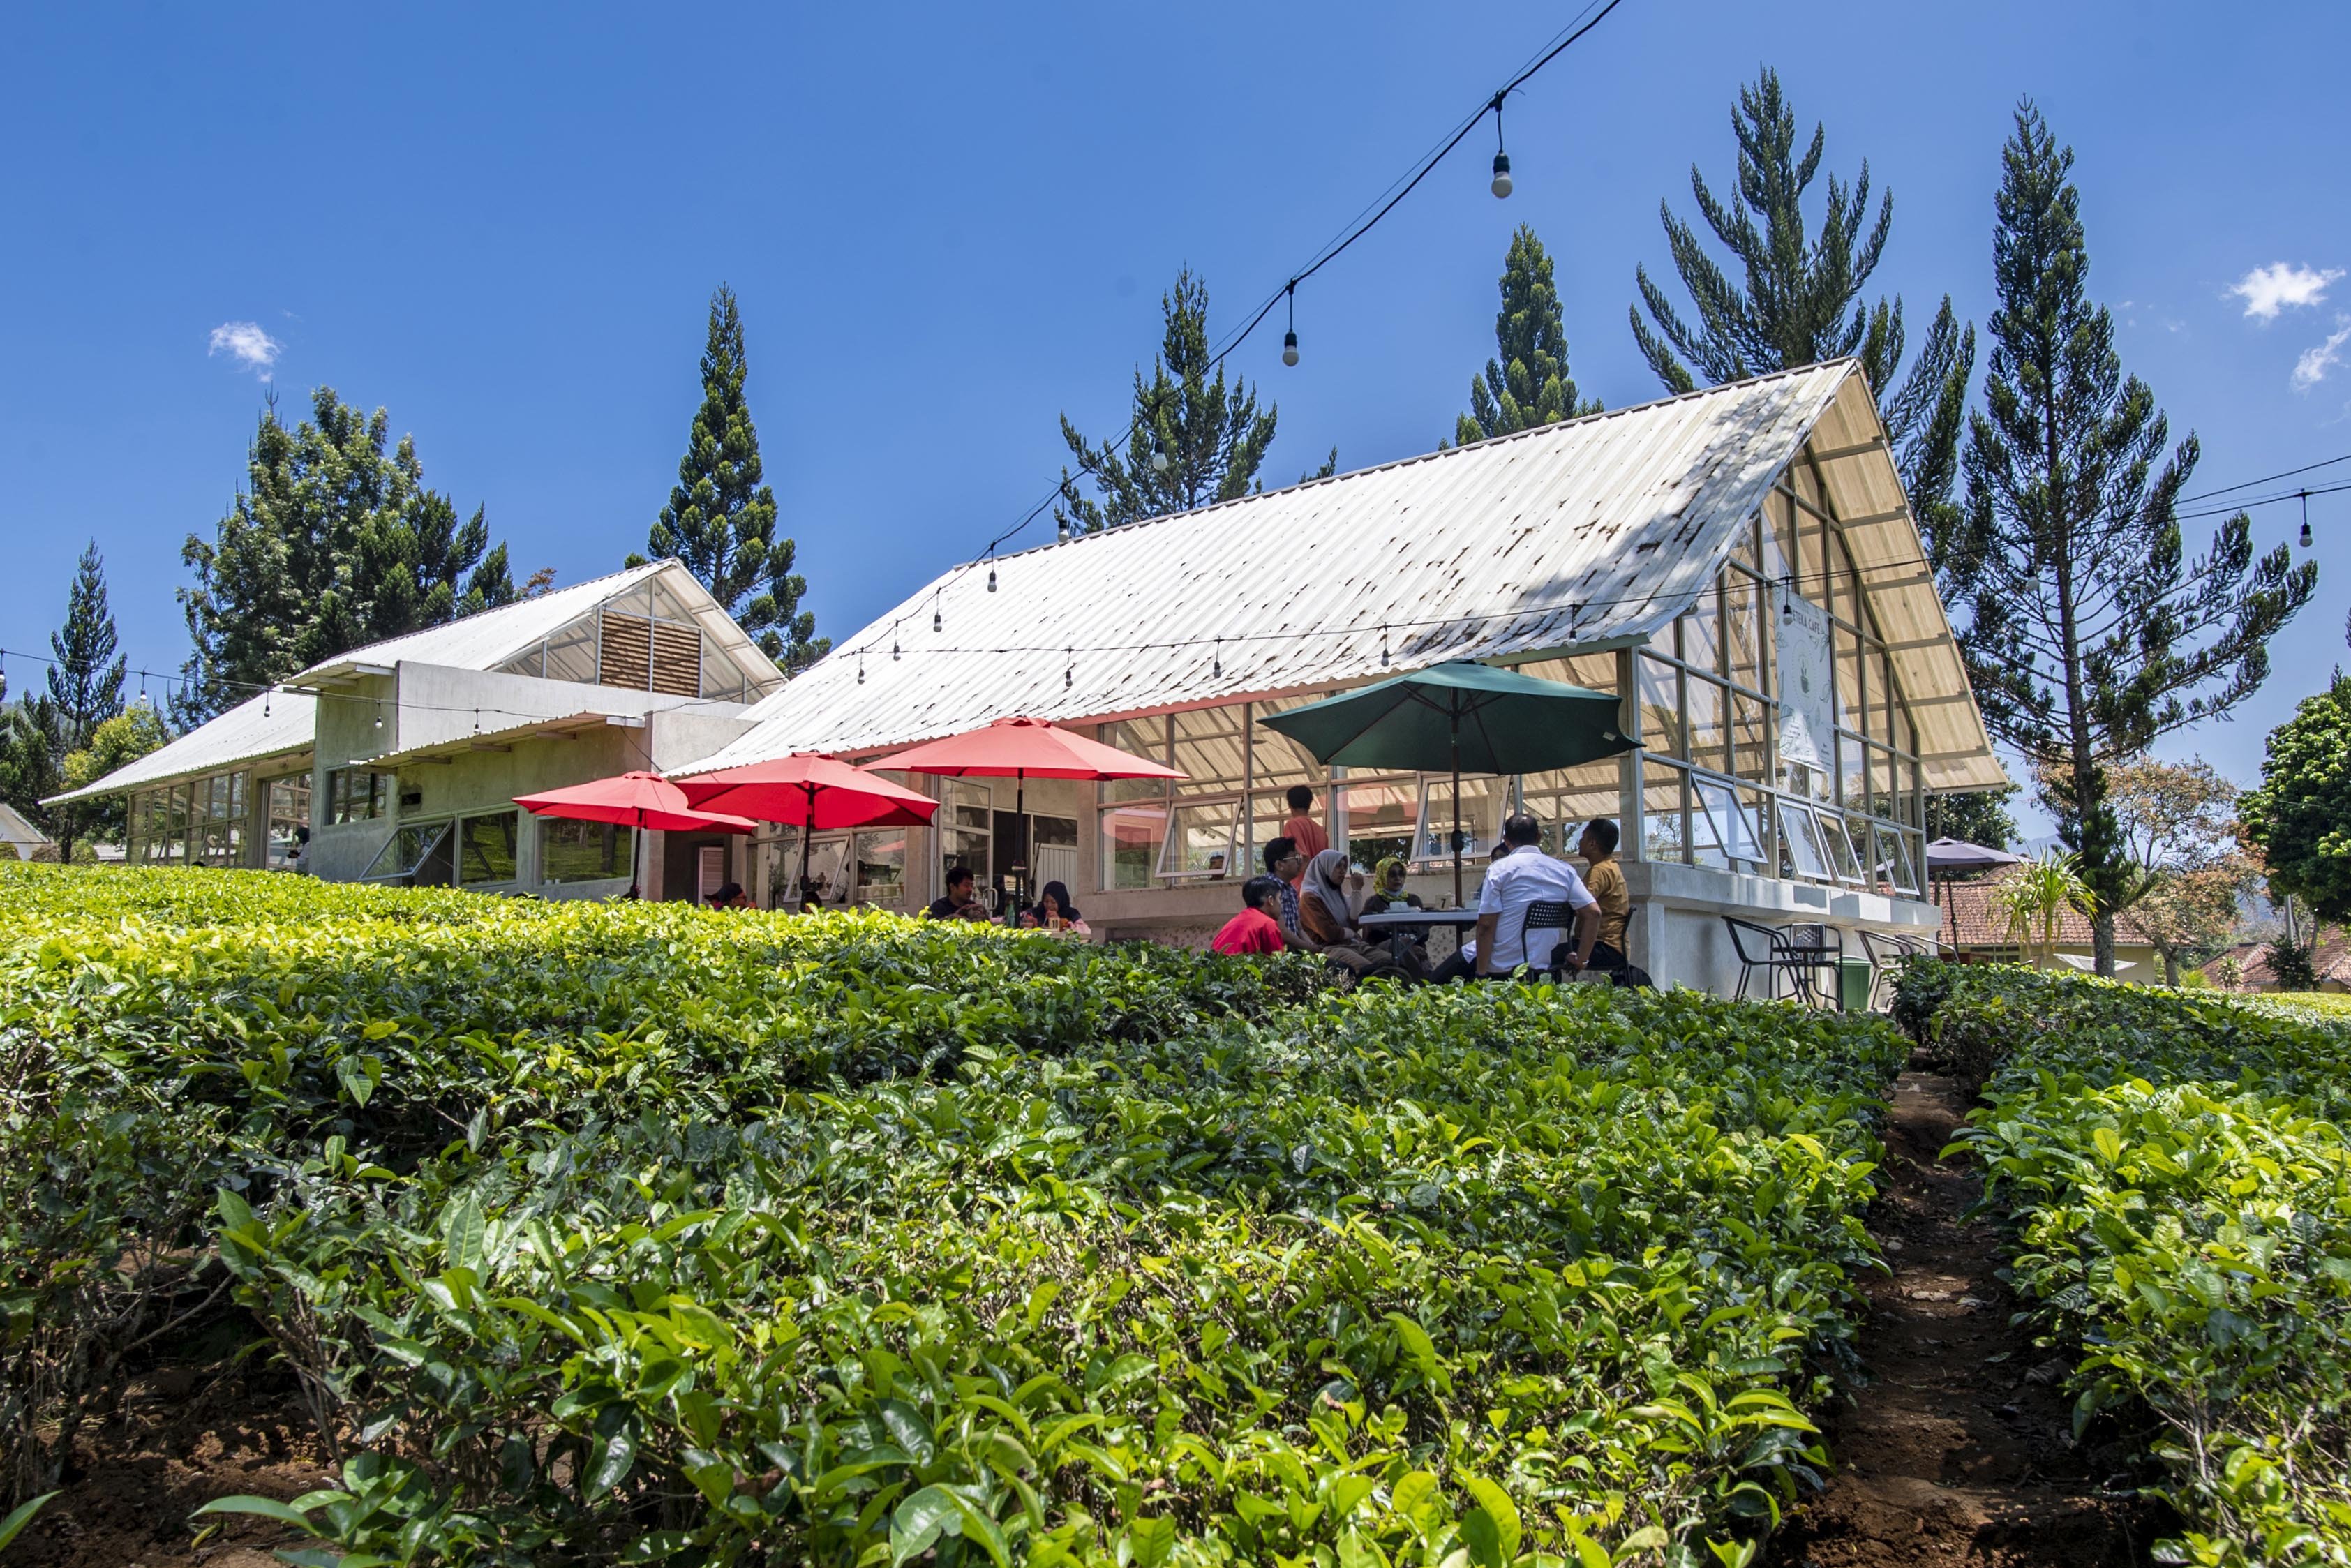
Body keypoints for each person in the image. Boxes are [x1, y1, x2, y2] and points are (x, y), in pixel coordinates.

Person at [1297, 848, 1380, 974]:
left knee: (1389, 961)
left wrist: (1357, 891)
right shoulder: (1310, 898)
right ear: (1325, 868)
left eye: (1344, 866)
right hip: (1330, 948)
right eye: (1337, 866)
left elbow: (1355, 924)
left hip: (1351, 944)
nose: (1342, 871)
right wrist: (1350, 933)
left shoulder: (1338, 895)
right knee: (1368, 970)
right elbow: (1328, 933)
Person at [1568, 819, 1633, 978]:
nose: (1580, 841)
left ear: (1592, 844)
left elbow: (1581, 907)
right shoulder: (1612, 866)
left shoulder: (1598, 872)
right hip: (1618, 947)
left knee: (1544, 956)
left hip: (1603, 946)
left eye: (1583, 837)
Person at [1211, 876, 1288, 955]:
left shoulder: (1234, 921)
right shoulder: (1268, 924)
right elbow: (1277, 959)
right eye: (1280, 899)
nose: (1281, 905)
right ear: (1271, 900)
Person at [1262, 837, 1308, 946]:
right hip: (1275, 952)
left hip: (1293, 949)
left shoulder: (1291, 889)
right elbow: (1281, 932)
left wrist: (1312, 947)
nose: (1300, 862)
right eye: (1296, 858)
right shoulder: (1267, 888)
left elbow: (1299, 929)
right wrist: (1308, 947)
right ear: (1279, 865)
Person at [1279, 784, 1329, 867]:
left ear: (1289, 805)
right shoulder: (1321, 830)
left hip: (1303, 875)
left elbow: (1301, 857)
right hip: (1320, 875)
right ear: (1310, 803)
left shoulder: (1292, 825)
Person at [1019, 881, 1091, 937]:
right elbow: (1016, 918)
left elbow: (1085, 932)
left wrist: (1061, 923)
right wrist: (1027, 919)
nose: (1049, 905)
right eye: (1046, 901)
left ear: (1061, 901)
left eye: (1053, 902)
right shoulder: (1038, 911)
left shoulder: (1071, 914)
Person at [925, 865, 991, 921]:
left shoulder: (973, 907)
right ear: (952, 887)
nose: (970, 890)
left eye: (971, 885)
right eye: (966, 885)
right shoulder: (938, 908)